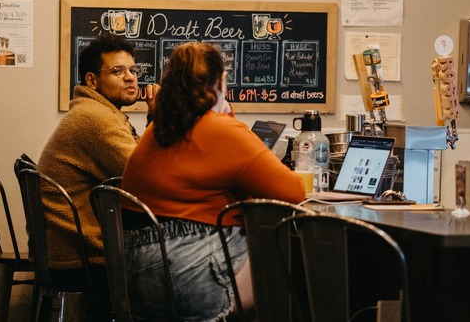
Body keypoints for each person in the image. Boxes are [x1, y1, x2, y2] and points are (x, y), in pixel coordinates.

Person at [121, 42, 305, 320]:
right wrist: (226, 114)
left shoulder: (157, 128)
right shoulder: (219, 129)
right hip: (189, 275)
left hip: (137, 277)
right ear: (220, 83)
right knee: (295, 253)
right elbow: (294, 192)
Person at [37, 33, 156, 317]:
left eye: (132, 70)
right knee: (184, 262)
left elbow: (140, 161)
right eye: (118, 71)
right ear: (92, 80)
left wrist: (154, 117)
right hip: (83, 258)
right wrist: (161, 117)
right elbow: (149, 178)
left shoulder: (96, 112)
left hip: (69, 250)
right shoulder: (97, 120)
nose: (130, 78)